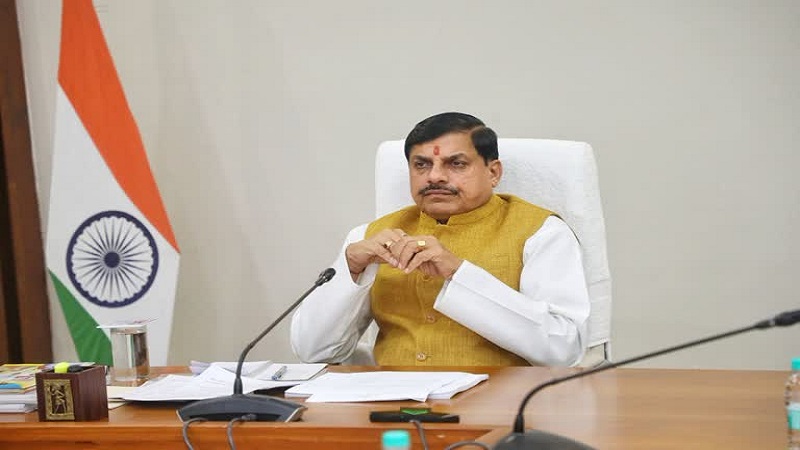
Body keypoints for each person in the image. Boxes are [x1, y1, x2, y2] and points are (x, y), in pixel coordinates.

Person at [291, 112, 589, 366]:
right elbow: (313, 352)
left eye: (456, 164)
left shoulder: (541, 232)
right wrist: (351, 269)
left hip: (499, 404)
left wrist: (458, 274)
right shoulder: (370, 236)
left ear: (493, 172)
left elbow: (564, 349)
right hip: (388, 402)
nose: (434, 177)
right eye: (421, 165)